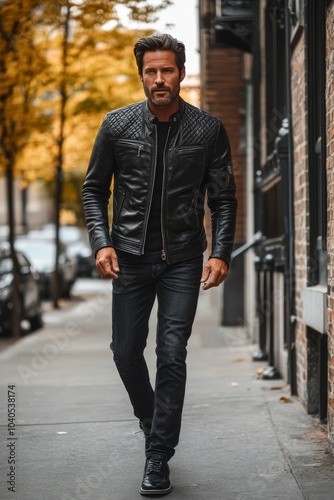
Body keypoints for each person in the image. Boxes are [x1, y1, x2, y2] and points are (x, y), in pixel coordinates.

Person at [82, 33, 237, 496]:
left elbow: (224, 199)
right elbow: (94, 190)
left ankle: (157, 457)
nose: (159, 79)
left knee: (171, 353)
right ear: (141, 74)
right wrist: (101, 243)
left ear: (181, 72)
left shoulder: (207, 130)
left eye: (167, 70)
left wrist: (221, 251)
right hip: (128, 258)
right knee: (125, 352)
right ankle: (154, 423)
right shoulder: (117, 125)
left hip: (183, 260)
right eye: (151, 71)